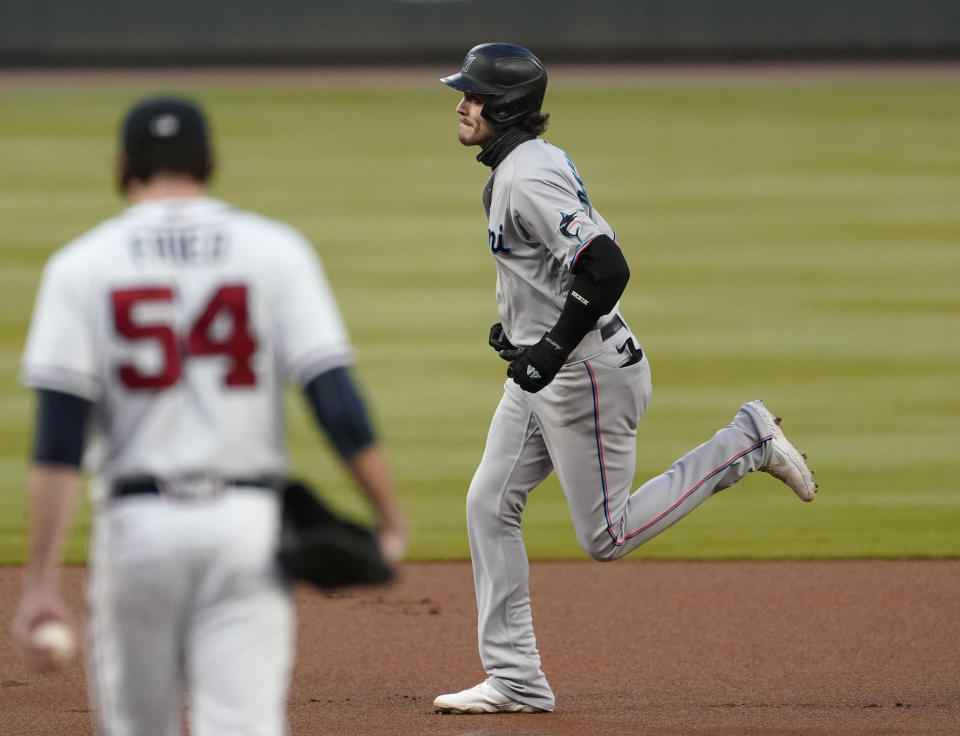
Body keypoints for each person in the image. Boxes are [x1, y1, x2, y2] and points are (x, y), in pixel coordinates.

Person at [433, 43, 817, 715]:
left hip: (586, 375)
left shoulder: (527, 176)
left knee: (606, 536)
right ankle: (517, 679)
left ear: (506, 106)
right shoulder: (518, 168)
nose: (461, 103)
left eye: (473, 95)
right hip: (553, 365)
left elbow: (607, 268)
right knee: (488, 505)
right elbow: (552, 268)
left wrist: (546, 348)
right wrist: (519, 333)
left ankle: (744, 443)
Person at [11, 95, 407, 735]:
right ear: (211, 162)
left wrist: (39, 586)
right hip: (245, 530)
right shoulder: (276, 251)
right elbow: (335, 399)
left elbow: (58, 439)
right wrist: (388, 517)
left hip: (136, 532)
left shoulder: (81, 266)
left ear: (123, 164)